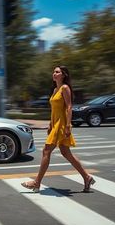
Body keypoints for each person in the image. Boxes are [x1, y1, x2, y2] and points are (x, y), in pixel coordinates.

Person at [21, 65, 95, 193]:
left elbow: (69, 107)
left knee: (46, 151)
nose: (54, 74)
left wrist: (67, 125)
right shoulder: (56, 90)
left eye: (57, 72)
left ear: (64, 75)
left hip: (62, 123)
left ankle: (37, 182)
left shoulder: (65, 88)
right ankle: (87, 177)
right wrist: (50, 124)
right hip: (55, 123)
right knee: (66, 153)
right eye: (53, 72)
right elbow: (54, 109)